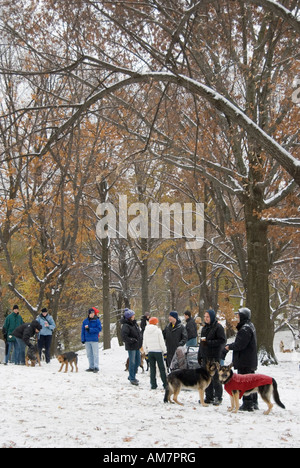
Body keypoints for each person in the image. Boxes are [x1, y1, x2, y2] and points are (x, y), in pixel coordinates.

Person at [224, 307, 258, 412]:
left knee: (245, 382)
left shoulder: (245, 329)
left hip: (245, 361)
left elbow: (240, 345)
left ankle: (248, 404)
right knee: (251, 381)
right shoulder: (249, 326)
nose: (237, 317)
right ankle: (253, 402)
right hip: (249, 360)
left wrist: (229, 346)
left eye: (238, 315)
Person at [198, 309, 226, 406]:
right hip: (205, 356)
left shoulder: (218, 327)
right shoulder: (204, 328)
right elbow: (201, 343)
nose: (206, 318)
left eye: (208, 317)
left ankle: (218, 397)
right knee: (206, 377)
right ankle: (209, 396)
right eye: (205, 317)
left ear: (212, 317)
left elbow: (222, 341)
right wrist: (199, 354)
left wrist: (209, 343)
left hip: (214, 356)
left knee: (215, 377)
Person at [143, 317, 167, 390]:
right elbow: (162, 342)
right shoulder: (158, 331)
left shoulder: (146, 331)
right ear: (156, 323)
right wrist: (165, 351)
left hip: (150, 352)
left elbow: (144, 342)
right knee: (161, 368)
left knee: (152, 368)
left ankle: (153, 384)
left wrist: (146, 352)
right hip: (158, 352)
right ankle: (165, 384)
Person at [121, 308, 142, 386]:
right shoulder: (126, 326)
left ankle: (131, 376)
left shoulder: (134, 323)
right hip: (131, 346)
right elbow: (124, 337)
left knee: (138, 361)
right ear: (129, 317)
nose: (134, 316)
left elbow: (138, 333)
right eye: (133, 315)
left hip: (137, 346)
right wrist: (132, 340)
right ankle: (132, 378)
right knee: (132, 362)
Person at [81, 308, 102, 373]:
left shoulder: (97, 320)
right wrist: (83, 339)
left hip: (94, 339)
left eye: (93, 313)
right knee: (89, 354)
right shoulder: (85, 321)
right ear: (88, 314)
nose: (92, 315)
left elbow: (99, 329)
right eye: (91, 313)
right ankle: (91, 366)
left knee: (95, 354)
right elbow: (83, 331)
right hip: (87, 340)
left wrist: (90, 330)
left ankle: (96, 367)